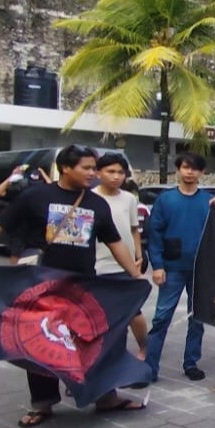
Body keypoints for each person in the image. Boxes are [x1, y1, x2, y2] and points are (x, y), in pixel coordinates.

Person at [0, 145, 144, 426]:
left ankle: (106, 397)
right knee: (38, 341)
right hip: (44, 286)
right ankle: (43, 403)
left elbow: (115, 243)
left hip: (82, 289)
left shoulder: (97, 204)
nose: (92, 173)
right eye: (86, 168)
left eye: (93, 168)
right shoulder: (38, 196)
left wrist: (135, 275)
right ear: (65, 168)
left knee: (95, 341)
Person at [144, 152, 215, 383]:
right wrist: (157, 265)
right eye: (185, 167)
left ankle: (191, 362)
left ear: (202, 172)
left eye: (195, 168)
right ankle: (149, 367)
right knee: (161, 318)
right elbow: (154, 234)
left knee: (197, 318)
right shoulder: (165, 200)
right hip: (172, 268)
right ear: (178, 169)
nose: (190, 172)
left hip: (200, 269)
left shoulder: (209, 201)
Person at [94, 153, 148, 357]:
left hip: (125, 266)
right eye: (110, 171)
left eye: (120, 172)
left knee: (134, 311)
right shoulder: (90, 198)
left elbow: (134, 229)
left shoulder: (129, 199)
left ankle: (144, 349)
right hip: (97, 265)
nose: (116, 176)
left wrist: (138, 254)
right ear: (99, 173)